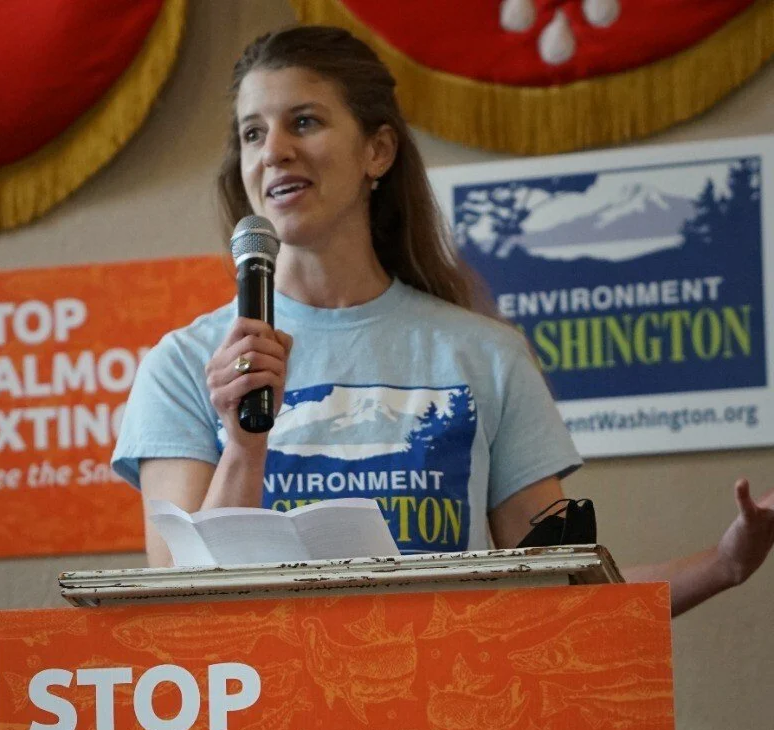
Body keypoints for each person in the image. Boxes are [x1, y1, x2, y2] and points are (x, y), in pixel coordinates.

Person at [111, 25, 773, 617]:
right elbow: (175, 608)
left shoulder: (486, 355)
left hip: (448, 705)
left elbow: (568, 596)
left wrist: (725, 564)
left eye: (304, 122)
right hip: (267, 713)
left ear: (378, 151)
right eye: (252, 133)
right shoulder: (184, 364)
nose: (274, 150)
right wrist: (243, 444)